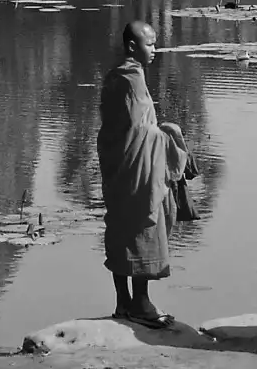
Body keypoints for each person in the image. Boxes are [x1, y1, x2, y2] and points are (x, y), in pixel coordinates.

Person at [98, 20, 192, 329]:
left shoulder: (114, 76)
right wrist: (168, 135)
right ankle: (141, 303)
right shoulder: (132, 78)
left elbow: (114, 130)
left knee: (121, 228)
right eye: (149, 44)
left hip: (118, 166)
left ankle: (123, 302)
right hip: (137, 169)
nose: (155, 49)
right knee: (142, 225)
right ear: (131, 46)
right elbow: (141, 131)